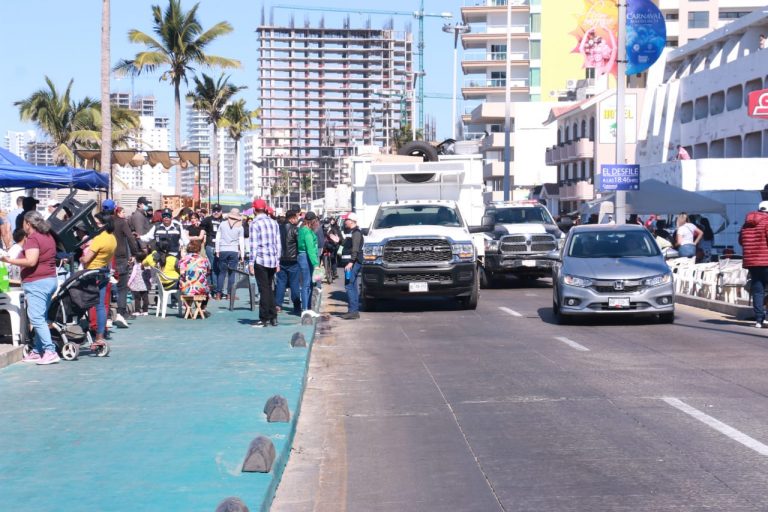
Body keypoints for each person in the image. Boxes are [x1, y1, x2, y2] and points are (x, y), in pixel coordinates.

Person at [0, 212, 59, 364]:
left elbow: (31, 261)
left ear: (28, 223)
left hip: (37, 282)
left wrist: (9, 260)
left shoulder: (33, 238)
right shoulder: (48, 236)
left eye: (23, 223)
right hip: (50, 279)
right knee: (41, 317)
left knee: (36, 318)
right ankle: (38, 350)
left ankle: (49, 351)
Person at [80, 212, 117, 350]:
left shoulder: (99, 239)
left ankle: (83, 330)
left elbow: (87, 259)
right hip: (104, 271)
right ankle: (100, 336)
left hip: (92, 272)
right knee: (101, 305)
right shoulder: (112, 238)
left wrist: (81, 259)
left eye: (96, 223)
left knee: (85, 302)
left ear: (103, 224)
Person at [249, 199, 281, 327]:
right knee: (269, 287)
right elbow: (278, 244)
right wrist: (277, 261)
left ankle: (264, 317)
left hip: (261, 259)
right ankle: (273, 316)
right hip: (272, 260)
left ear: (254, 210)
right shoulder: (274, 222)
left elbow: (253, 245)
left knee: (264, 289)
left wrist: (251, 262)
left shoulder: (254, 223)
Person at [739, 201, 768, 328]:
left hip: (752, 261)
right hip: (766, 260)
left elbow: (741, 241)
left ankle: (759, 319)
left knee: (758, 290)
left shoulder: (746, 223)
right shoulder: (767, 221)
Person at [274, 209, 301, 315]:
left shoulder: (278, 229)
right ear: (292, 218)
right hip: (293, 260)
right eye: (296, 218)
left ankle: (278, 305)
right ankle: (296, 306)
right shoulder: (295, 230)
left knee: (281, 283)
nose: (297, 220)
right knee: (294, 283)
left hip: (281, 259)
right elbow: (299, 244)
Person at [214, 208, 245, 300]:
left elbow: (218, 238)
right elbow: (241, 241)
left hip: (223, 249)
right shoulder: (240, 226)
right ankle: (229, 294)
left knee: (222, 272)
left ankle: (218, 294)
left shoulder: (222, 224)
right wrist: (242, 255)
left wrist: (217, 250)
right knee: (232, 274)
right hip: (234, 250)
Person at [340, 212, 364, 320]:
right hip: (352, 262)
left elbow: (355, 249)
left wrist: (351, 262)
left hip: (353, 263)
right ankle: (353, 310)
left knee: (349, 285)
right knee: (352, 285)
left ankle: (353, 310)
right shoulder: (352, 232)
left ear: (352, 221)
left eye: (346, 220)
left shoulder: (356, 233)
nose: (345, 222)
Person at [179, 240, 211, 315]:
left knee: (184, 284)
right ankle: (202, 309)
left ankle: (188, 308)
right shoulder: (204, 260)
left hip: (185, 288)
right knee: (206, 289)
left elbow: (180, 271)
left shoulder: (183, 259)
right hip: (200, 288)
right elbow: (208, 271)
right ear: (199, 249)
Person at [298, 212, 320, 317]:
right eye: (315, 221)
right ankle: (305, 309)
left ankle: (308, 308)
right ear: (312, 221)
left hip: (305, 257)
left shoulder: (303, 230)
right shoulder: (307, 232)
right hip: (306, 257)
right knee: (306, 283)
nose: (316, 224)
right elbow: (310, 249)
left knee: (310, 283)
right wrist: (316, 263)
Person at [200, 204, 223, 293]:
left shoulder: (224, 221)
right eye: (214, 210)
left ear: (221, 211)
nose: (216, 212)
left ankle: (219, 289)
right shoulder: (208, 219)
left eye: (218, 210)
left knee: (221, 268)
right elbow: (200, 226)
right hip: (210, 245)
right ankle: (215, 289)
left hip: (221, 246)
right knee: (213, 267)